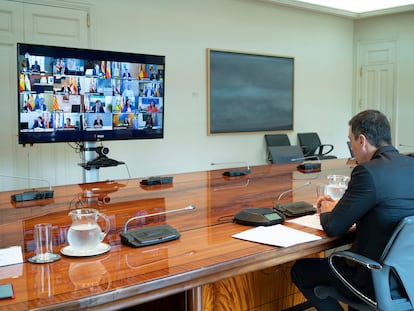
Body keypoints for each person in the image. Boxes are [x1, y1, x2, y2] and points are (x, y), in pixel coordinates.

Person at [291, 109, 414, 311]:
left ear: (362, 141)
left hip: (375, 281)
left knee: (301, 270)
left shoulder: (368, 172)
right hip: (408, 280)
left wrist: (330, 208)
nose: (352, 149)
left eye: (351, 142)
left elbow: (334, 226)